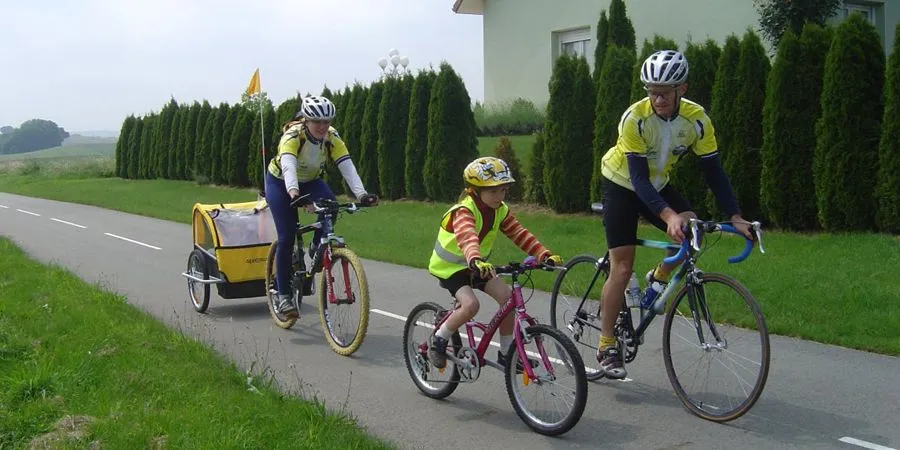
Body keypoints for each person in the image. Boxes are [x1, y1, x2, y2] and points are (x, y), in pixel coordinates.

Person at [596, 50, 754, 379]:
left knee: (692, 229)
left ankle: (660, 276)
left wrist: (736, 216)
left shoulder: (697, 120)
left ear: (681, 88)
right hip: (622, 183)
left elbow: (714, 172)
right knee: (622, 267)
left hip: (658, 183)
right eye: (651, 92)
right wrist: (668, 216)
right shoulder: (634, 118)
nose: (657, 99)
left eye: (664, 93)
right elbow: (638, 181)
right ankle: (606, 343)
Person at [427, 156, 563, 369]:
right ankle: (439, 340)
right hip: (451, 268)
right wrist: (475, 258)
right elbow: (467, 236)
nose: (499, 196)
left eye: (503, 190)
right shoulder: (464, 211)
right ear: (474, 190)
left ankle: (507, 353)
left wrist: (543, 254)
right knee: (471, 305)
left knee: (508, 299)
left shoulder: (500, 210)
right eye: (492, 191)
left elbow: (519, 233)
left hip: (477, 266)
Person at [265, 95, 378, 317]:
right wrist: (295, 194)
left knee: (333, 206)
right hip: (280, 183)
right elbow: (288, 167)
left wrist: (362, 194)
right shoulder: (292, 136)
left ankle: (318, 246)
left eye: (327, 121)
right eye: (317, 122)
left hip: (311, 181)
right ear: (306, 120)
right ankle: (283, 294)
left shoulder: (331, 137)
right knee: (287, 235)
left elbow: (347, 166)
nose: (322, 126)